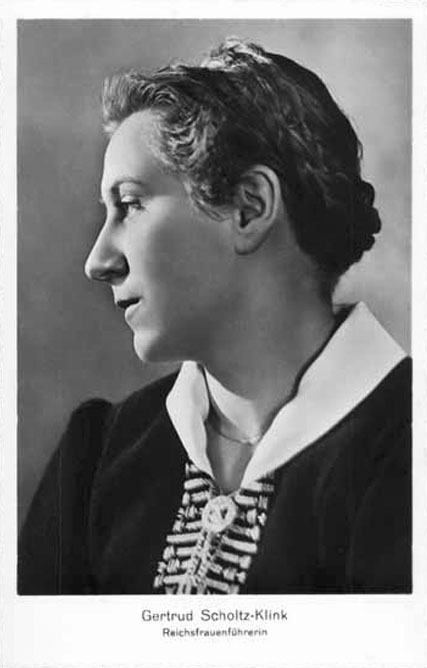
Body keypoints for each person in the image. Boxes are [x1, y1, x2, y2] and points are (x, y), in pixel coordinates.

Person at [18, 38, 411, 595]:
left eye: (130, 204)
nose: (98, 261)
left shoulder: (406, 446)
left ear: (249, 208)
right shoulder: (94, 461)